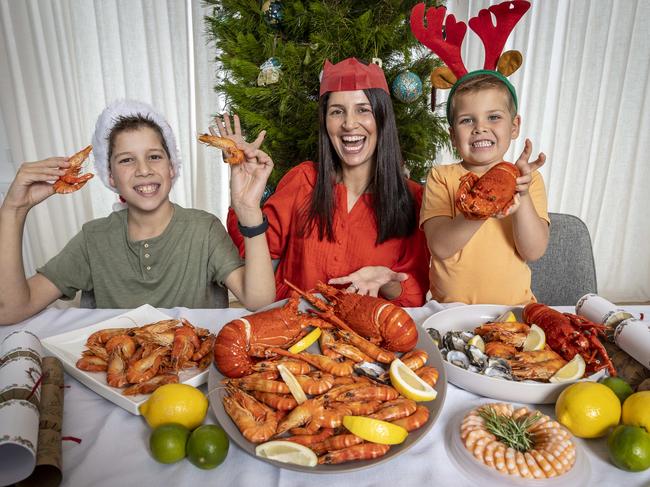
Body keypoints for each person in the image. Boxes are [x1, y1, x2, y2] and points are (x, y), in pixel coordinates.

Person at [0, 99, 276, 325]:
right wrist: (14, 209)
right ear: (110, 176)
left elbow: (259, 301)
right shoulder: (93, 239)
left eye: (154, 156)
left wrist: (248, 209)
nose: (144, 170)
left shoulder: (203, 229)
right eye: (127, 160)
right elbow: (10, 310)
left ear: (172, 167)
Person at [222, 57, 430, 307]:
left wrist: (388, 281)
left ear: (382, 119)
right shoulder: (303, 180)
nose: (349, 123)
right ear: (325, 122)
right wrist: (246, 205)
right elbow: (257, 256)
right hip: (292, 334)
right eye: (337, 112)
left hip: (364, 341)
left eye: (363, 110)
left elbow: (415, 296)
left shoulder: (414, 198)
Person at [420, 73, 549, 305]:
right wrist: (483, 206)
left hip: (513, 309)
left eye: (493, 117)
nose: (480, 128)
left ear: (514, 126)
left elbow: (534, 251)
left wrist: (523, 194)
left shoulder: (529, 180)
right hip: (449, 309)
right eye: (467, 120)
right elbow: (439, 246)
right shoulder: (441, 177)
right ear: (452, 135)